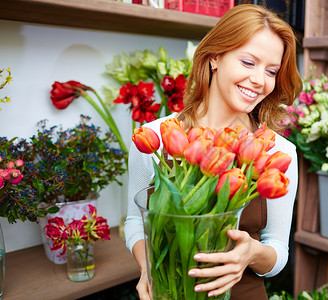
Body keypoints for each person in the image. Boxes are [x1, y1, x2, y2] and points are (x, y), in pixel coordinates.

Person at [124, 4, 302, 299]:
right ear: (215, 57)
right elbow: (135, 222)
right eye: (248, 62)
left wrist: (253, 253)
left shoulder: (278, 152)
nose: (260, 80)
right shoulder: (156, 136)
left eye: (271, 71)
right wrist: (148, 271)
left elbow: (278, 251)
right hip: (169, 292)